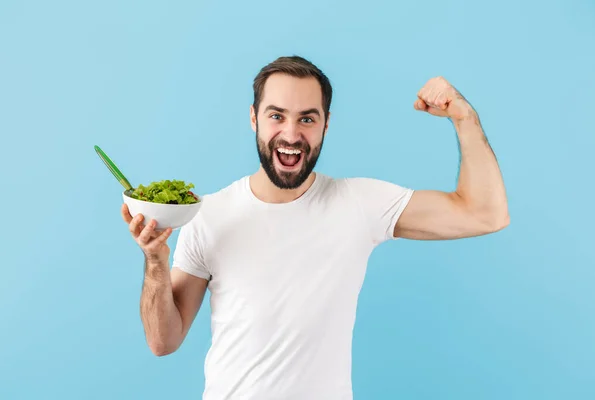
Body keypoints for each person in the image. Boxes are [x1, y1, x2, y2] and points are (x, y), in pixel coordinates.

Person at [121, 55, 509, 399]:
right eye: (276, 115)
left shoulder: (359, 204)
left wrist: (464, 118)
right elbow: (162, 341)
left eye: (307, 118)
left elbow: (484, 214)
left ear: (326, 124)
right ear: (254, 118)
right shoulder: (208, 214)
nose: (291, 135)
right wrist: (155, 261)